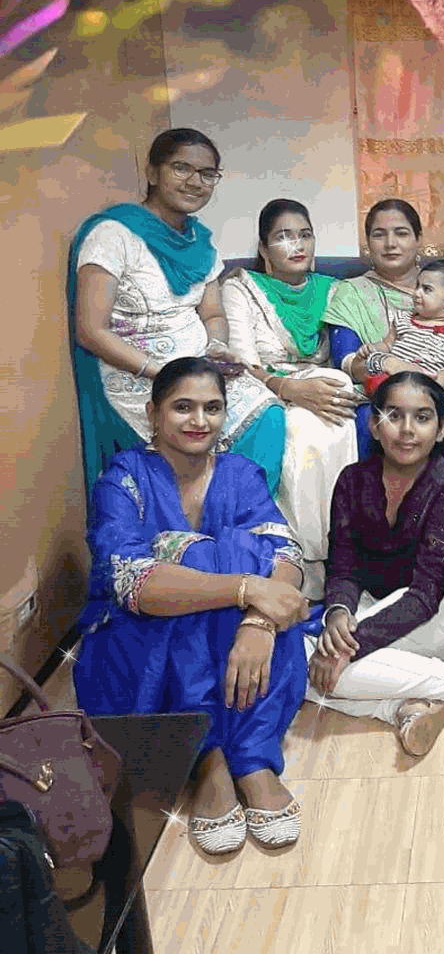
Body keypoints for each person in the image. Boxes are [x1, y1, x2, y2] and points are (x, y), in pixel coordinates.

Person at [74, 357, 310, 854]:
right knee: (208, 561)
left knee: (248, 560)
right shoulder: (124, 479)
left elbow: (287, 560)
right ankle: (207, 757)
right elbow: (134, 583)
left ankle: (251, 756)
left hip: (238, 639)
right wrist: (244, 588)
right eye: (183, 407)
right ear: (153, 412)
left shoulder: (240, 474)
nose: (199, 420)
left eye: (212, 408)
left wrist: (259, 622)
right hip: (139, 646)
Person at [307, 371, 444, 758]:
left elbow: (424, 596)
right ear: (374, 425)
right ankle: (400, 707)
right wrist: (339, 611)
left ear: (441, 430)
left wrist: (349, 647)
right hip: (380, 598)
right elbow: (343, 564)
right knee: (303, 660)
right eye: (394, 416)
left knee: (320, 665)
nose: (407, 430)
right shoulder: (351, 481)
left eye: (422, 418)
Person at [70, 129, 284, 497]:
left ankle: (239, 517)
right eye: (181, 168)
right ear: (152, 172)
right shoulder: (113, 235)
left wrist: (216, 348)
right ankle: (200, 521)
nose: (195, 182)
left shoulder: (201, 244)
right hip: (137, 374)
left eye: (207, 173)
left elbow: (213, 314)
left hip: (198, 366)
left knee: (268, 415)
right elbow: (91, 330)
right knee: (196, 434)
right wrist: (164, 372)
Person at [221, 199, 360, 597]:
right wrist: (288, 389)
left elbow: (347, 356)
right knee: (298, 428)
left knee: (337, 403)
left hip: (320, 390)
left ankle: (340, 554)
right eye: (283, 237)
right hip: (261, 388)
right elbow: (240, 364)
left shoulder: (334, 290)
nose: (297, 245)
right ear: (264, 249)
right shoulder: (240, 288)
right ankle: (298, 557)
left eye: (305, 235)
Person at [343, 258, 444, 481]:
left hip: (437, 394)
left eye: (426, 289)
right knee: (374, 406)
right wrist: (372, 348)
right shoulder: (403, 320)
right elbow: (387, 344)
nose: (416, 293)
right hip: (399, 388)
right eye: (417, 286)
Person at [323, 198, 423, 369]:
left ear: (418, 239)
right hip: (380, 380)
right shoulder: (352, 292)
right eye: (379, 235)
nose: (390, 244)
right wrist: (385, 367)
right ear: (368, 242)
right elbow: (347, 361)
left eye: (401, 233)